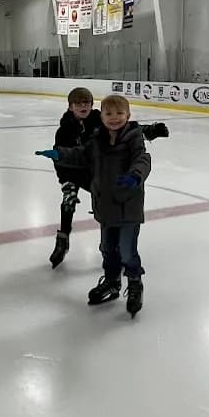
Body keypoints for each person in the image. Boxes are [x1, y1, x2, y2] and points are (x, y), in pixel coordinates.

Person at [37, 94, 150, 319]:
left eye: (119, 114)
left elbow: (143, 159)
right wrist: (60, 153)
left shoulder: (133, 138)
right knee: (107, 249)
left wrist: (135, 177)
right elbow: (81, 155)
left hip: (128, 206)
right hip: (106, 206)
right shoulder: (97, 139)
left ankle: (135, 284)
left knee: (127, 252)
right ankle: (111, 282)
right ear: (102, 117)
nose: (114, 118)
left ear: (128, 115)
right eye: (108, 114)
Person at [47, 87, 168, 268]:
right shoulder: (64, 130)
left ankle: (114, 242)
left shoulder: (99, 119)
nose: (83, 106)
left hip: (97, 169)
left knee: (109, 200)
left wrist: (150, 130)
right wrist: (66, 184)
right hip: (75, 171)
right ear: (70, 107)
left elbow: (123, 127)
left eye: (86, 102)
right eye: (78, 103)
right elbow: (62, 159)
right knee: (68, 202)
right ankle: (63, 239)